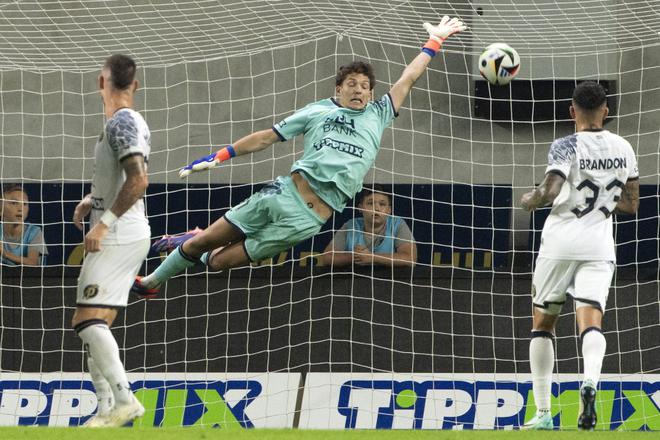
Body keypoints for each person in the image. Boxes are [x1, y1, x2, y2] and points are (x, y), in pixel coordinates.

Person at [131, 16, 465, 296]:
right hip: (282, 193)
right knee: (204, 242)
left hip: (307, 219)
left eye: (365, 86)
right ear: (339, 89)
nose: (358, 89)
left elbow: (408, 78)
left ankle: (190, 241)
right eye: (352, 83)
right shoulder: (317, 111)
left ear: (371, 93)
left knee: (218, 262)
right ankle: (150, 283)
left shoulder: (379, 114)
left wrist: (434, 41)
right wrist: (221, 155)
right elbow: (266, 137)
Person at [520, 81, 639, 430]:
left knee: (543, 324)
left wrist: (530, 200)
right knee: (591, 321)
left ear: (572, 111)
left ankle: (544, 413)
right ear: (606, 111)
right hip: (599, 245)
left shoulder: (566, 144)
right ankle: (590, 382)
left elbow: (551, 189)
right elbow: (631, 204)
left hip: (560, 244)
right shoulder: (624, 147)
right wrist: (602, 200)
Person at [71, 54, 151, 428]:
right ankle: (105, 410)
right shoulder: (121, 123)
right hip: (125, 230)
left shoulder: (122, 122)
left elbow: (139, 181)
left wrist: (102, 224)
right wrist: (95, 198)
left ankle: (124, 401)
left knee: (86, 320)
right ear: (135, 85)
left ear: (100, 82)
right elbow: (122, 177)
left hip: (119, 234)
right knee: (97, 322)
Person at [319, 184, 417, 267]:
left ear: (389, 210)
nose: (376, 208)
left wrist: (372, 257)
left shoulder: (397, 224)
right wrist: (355, 256)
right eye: (370, 203)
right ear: (360, 208)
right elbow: (327, 258)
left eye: (382, 204)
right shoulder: (351, 226)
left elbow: (410, 258)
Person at [0, 183, 48, 265]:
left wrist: (5, 254)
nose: (21, 209)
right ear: (1, 210)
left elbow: (33, 263)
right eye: (14, 203)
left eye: (24, 204)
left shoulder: (34, 232)